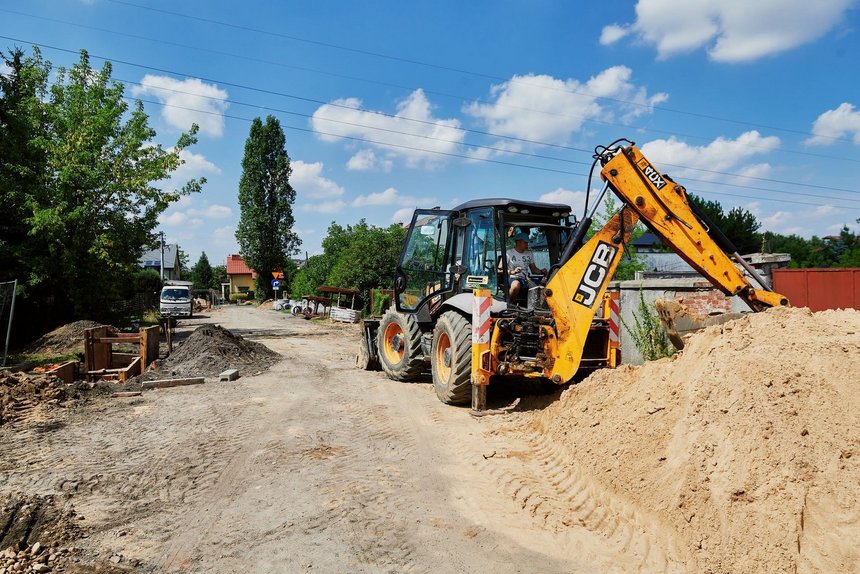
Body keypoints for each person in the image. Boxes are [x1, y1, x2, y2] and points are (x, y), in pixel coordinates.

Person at [505, 232, 547, 300]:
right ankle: (509, 305)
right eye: (525, 243)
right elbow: (500, 270)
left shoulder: (529, 253)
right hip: (513, 277)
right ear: (518, 242)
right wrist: (513, 272)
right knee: (516, 285)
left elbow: (533, 269)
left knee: (545, 284)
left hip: (525, 278)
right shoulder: (509, 253)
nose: (527, 245)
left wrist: (541, 271)